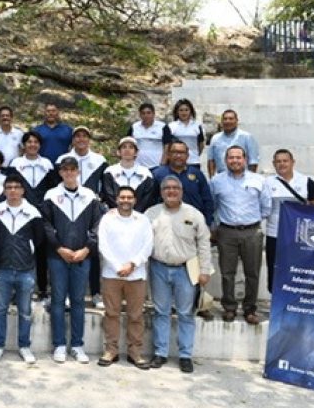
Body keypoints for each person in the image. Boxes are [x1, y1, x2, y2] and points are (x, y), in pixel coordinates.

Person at [146, 176, 212, 373]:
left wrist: (205, 270)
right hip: (158, 268)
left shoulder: (194, 214)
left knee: (185, 313)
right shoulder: (151, 213)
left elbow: (204, 243)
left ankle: (185, 355)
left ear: (181, 191)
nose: (171, 191)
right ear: (161, 192)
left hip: (186, 270)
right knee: (161, 312)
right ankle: (160, 353)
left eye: (175, 188)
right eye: (167, 188)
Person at [41, 156, 102, 364]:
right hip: (58, 256)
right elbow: (46, 226)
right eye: (64, 170)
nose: (68, 173)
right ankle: (59, 344)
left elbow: (96, 226)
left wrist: (86, 249)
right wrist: (59, 248)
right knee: (58, 300)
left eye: (72, 169)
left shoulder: (89, 196)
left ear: (78, 171)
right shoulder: (51, 195)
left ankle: (77, 345)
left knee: (77, 301)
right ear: (60, 172)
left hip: (82, 257)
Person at [151, 140, 215, 319]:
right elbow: (150, 199)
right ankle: (167, 305)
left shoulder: (196, 174)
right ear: (169, 154)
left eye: (182, 152)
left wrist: (208, 223)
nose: (178, 155)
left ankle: (199, 302)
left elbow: (207, 200)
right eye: (175, 152)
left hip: (192, 228)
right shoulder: (158, 173)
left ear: (188, 155)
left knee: (197, 271)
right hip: (166, 224)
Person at [210, 145, 272, 324]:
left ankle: (250, 309)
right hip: (226, 232)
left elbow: (266, 206)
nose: (235, 161)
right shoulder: (217, 181)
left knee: (252, 272)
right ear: (225, 160)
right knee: (227, 272)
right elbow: (213, 206)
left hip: (252, 232)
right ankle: (229, 307)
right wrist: (215, 227)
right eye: (231, 158)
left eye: (238, 157)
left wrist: (252, 221)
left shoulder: (259, 180)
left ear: (245, 159)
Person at [0, 174, 44, 365]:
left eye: (16, 187)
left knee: (25, 311)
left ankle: (24, 346)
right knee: (0, 309)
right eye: (9, 187)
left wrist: (27, 253)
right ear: (4, 190)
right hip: (2, 269)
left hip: (25, 270)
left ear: (22, 190)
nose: (12, 190)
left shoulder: (33, 212)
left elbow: (39, 240)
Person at [96, 186, 153, 370]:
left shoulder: (143, 220)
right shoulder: (107, 219)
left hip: (136, 275)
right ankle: (110, 350)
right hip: (111, 274)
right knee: (111, 314)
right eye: (122, 197)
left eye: (129, 197)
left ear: (135, 200)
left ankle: (135, 351)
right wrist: (117, 266)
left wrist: (132, 264)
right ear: (117, 199)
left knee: (135, 315)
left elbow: (148, 245)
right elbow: (103, 245)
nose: (126, 200)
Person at [57, 126, 106, 308]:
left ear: (89, 139)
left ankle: (95, 293)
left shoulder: (99, 160)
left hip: (90, 208)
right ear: (73, 140)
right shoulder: (62, 160)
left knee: (91, 250)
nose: (81, 139)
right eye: (77, 136)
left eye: (85, 136)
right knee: (68, 251)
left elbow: (104, 184)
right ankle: (68, 295)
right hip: (68, 209)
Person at [8, 130, 57, 301]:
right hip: (20, 213)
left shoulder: (47, 164)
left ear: (40, 145)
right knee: (19, 250)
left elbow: (52, 188)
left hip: (41, 215)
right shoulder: (16, 163)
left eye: (36, 142)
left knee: (42, 250)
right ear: (24, 145)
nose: (32, 145)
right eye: (29, 142)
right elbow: (11, 187)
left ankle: (43, 288)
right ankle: (16, 291)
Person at [264, 149, 314, 292]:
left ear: (292, 162)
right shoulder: (267, 183)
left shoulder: (306, 181)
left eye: (285, 161)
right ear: (273, 164)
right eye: (278, 161)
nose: (282, 164)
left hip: (299, 235)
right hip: (274, 233)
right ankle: (277, 302)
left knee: (298, 269)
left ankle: (297, 304)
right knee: (275, 268)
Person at [100, 137, 157, 212]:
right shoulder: (109, 172)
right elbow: (109, 196)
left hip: (139, 217)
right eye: (124, 147)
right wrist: (122, 213)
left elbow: (146, 199)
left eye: (131, 147)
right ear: (118, 152)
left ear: (136, 152)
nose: (127, 150)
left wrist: (134, 214)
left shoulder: (146, 174)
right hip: (115, 216)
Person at [206, 109, 260, 177]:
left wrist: (250, 179)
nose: (227, 121)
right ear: (222, 122)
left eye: (231, 119)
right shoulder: (215, 138)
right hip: (221, 178)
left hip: (242, 178)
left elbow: (253, 161)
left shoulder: (246, 137)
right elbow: (211, 160)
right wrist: (212, 178)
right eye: (225, 119)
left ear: (237, 121)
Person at [126, 103, 169, 170]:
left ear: (154, 114)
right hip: (138, 166)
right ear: (140, 115)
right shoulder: (134, 127)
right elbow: (127, 144)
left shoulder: (162, 127)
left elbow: (167, 146)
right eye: (143, 113)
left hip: (157, 166)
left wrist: (163, 163)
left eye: (149, 113)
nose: (146, 115)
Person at [165, 99, 204, 168]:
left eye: (186, 110)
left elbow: (201, 145)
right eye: (181, 110)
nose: (184, 113)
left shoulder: (197, 126)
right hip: (176, 161)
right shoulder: (171, 126)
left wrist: (194, 154)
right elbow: (167, 146)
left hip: (193, 161)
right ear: (177, 112)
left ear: (191, 111)